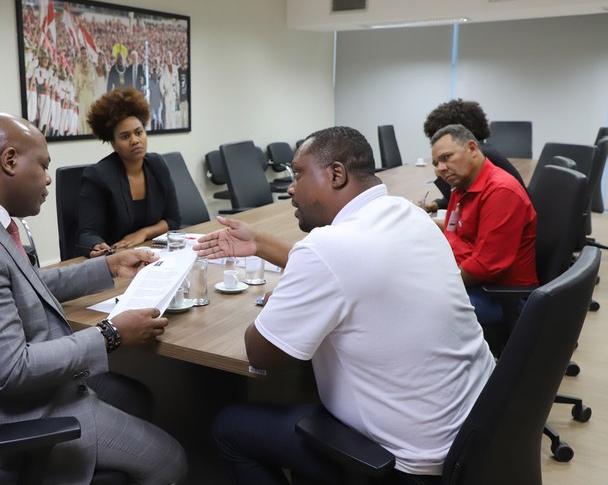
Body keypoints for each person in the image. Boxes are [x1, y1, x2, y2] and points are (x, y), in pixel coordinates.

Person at [194, 126, 495, 485]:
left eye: (299, 173)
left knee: (230, 427)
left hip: (404, 461)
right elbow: (343, 269)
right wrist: (258, 242)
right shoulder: (407, 214)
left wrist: (276, 307)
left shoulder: (328, 248)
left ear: (336, 174)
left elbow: (260, 354)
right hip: (475, 431)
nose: (291, 186)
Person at [0, 112, 187, 485]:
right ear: (9, 161)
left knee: (135, 397)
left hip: (28, 392)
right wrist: (110, 335)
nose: (49, 178)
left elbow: (23, 283)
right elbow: (12, 371)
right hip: (19, 412)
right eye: (43, 166)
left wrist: (108, 267)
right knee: (172, 460)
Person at [430, 123, 537, 326]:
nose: (440, 169)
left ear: (472, 148)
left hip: (498, 296)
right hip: (474, 281)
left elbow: (485, 267)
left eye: (446, 158)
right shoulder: (461, 185)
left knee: (419, 308)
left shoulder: (501, 192)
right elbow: (455, 228)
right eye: (436, 163)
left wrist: (436, 284)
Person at [78, 87, 181, 257]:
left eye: (139, 132)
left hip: (153, 255)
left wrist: (144, 233)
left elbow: (173, 219)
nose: (135, 140)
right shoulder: (97, 176)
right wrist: (98, 246)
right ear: (113, 143)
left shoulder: (158, 165)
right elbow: (87, 234)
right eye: (125, 136)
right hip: (116, 260)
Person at [420, 98, 527, 212]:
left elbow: (459, 202)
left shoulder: (482, 155)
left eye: (447, 157)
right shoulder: (486, 150)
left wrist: (441, 179)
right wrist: (436, 204)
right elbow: (463, 195)